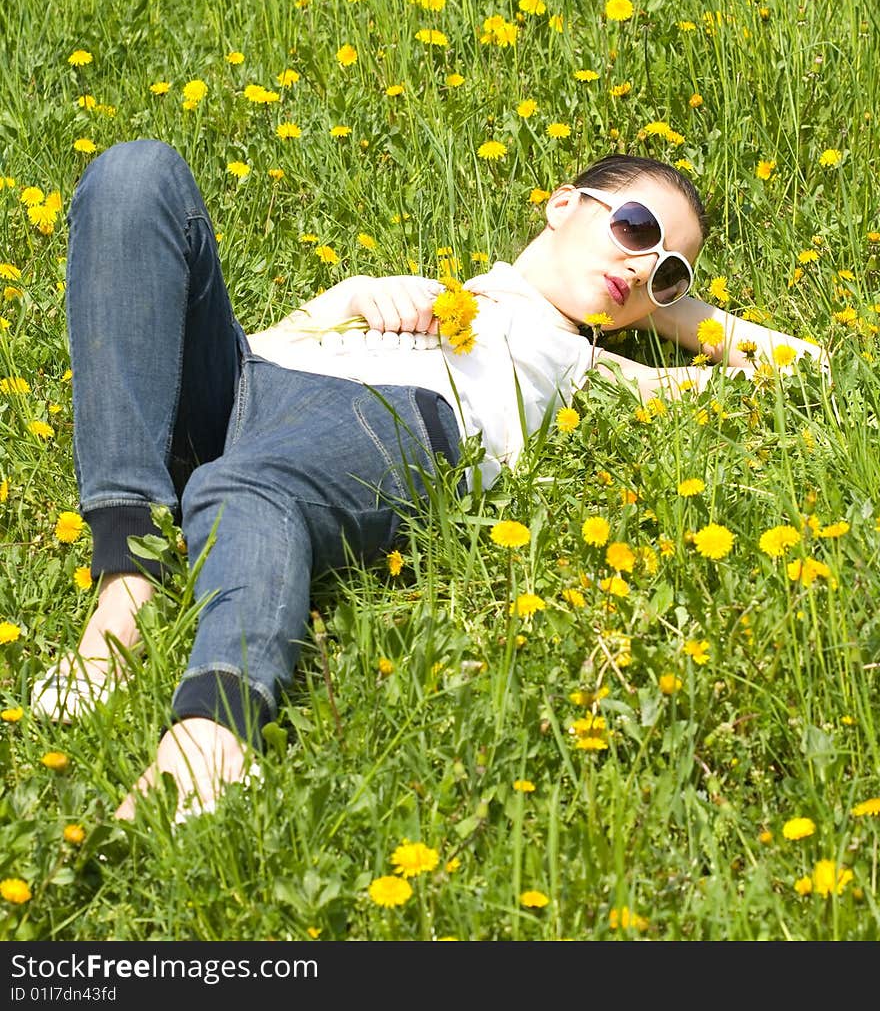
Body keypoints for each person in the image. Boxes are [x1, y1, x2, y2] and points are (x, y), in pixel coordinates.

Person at [30, 139, 827, 822]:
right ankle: (128, 580)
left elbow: (800, 367)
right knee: (138, 175)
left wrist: (654, 305)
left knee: (247, 484)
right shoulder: (420, 291)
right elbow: (222, 344)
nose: (643, 261)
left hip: (395, 419)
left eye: (669, 268)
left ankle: (213, 739)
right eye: (634, 228)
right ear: (562, 205)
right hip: (252, 378)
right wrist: (345, 300)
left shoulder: (587, 367)